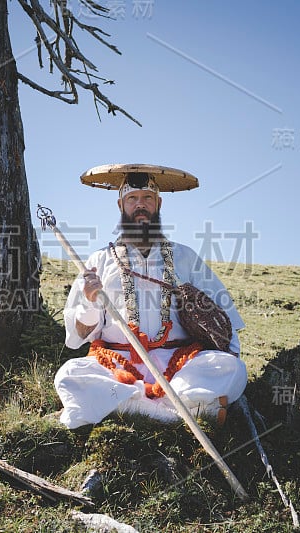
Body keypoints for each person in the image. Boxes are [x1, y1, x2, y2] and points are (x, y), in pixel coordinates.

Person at [54, 164, 248, 429]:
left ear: (158, 203)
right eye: (132, 199)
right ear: (121, 205)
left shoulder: (185, 257)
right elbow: (77, 336)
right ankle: (175, 414)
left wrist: (229, 352)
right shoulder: (100, 260)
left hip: (181, 368)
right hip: (117, 366)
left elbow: (224, 317)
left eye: (147, 198)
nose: (140, 205)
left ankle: (133, 409)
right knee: (69, 375)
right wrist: (90, 301)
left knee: (232, 369)